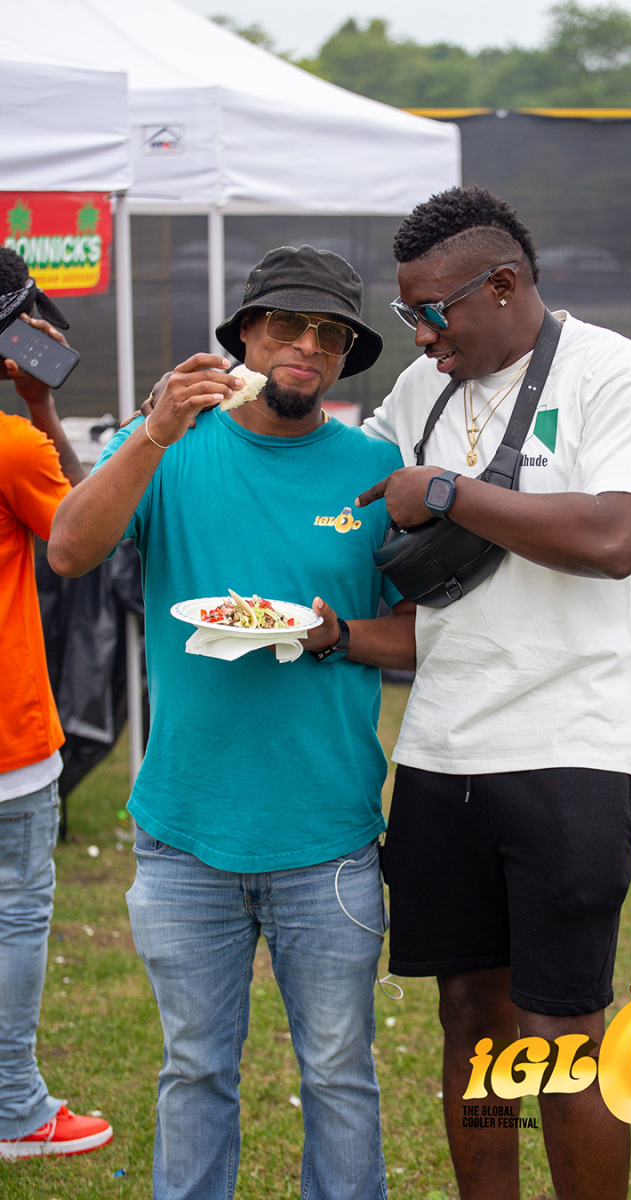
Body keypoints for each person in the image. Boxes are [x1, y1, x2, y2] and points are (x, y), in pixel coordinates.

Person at [48, 245, 416, 1200]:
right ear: (246, 335)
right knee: (195, 1070)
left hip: (328, 835)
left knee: (338, 1074)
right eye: (286, 325)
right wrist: (151, 432)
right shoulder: (172, 444)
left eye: (330, 335)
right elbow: (70, 550)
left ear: (346, 355)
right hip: (186, 832)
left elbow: (416, 635)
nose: (307, 347)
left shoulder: (375, 467)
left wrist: (338, 635)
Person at [355, 187, 631, 1200]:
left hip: (571, 750)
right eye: (407, 314)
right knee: (470, 1018)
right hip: (442, 750)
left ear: (501, 286)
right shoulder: (422, 387)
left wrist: (449, 490)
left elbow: (615, 538)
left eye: (432, 312)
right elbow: (347, 473)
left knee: (561, 1033)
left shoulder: (615, 373)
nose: (419, 335)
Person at [0, 247, 113, 1159]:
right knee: (16, 914)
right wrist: (39, 405)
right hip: (8, 742)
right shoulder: (14, 447)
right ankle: (14, 1108)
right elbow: (82, 535)